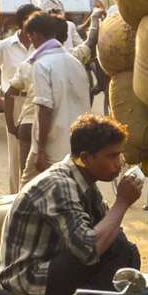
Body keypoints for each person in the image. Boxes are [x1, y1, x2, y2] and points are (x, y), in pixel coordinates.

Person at [0, 114, 145, 295]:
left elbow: (106, 228)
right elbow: (89, 249)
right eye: (112, 156)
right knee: (118, 250)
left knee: (124, 248)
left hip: (53, 264)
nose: (120, 163)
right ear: (85, 158)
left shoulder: (85, 180)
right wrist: (122, 202)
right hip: (29, 280)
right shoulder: (58, 184)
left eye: (119, 154)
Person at [21, 12, 92, 180]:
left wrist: (41, 150)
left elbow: (45, 109)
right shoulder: (75, 62)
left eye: (30, 36)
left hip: (52, 148)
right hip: (78, 146)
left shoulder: (41, 65)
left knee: (27, 190)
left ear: (35, 35)